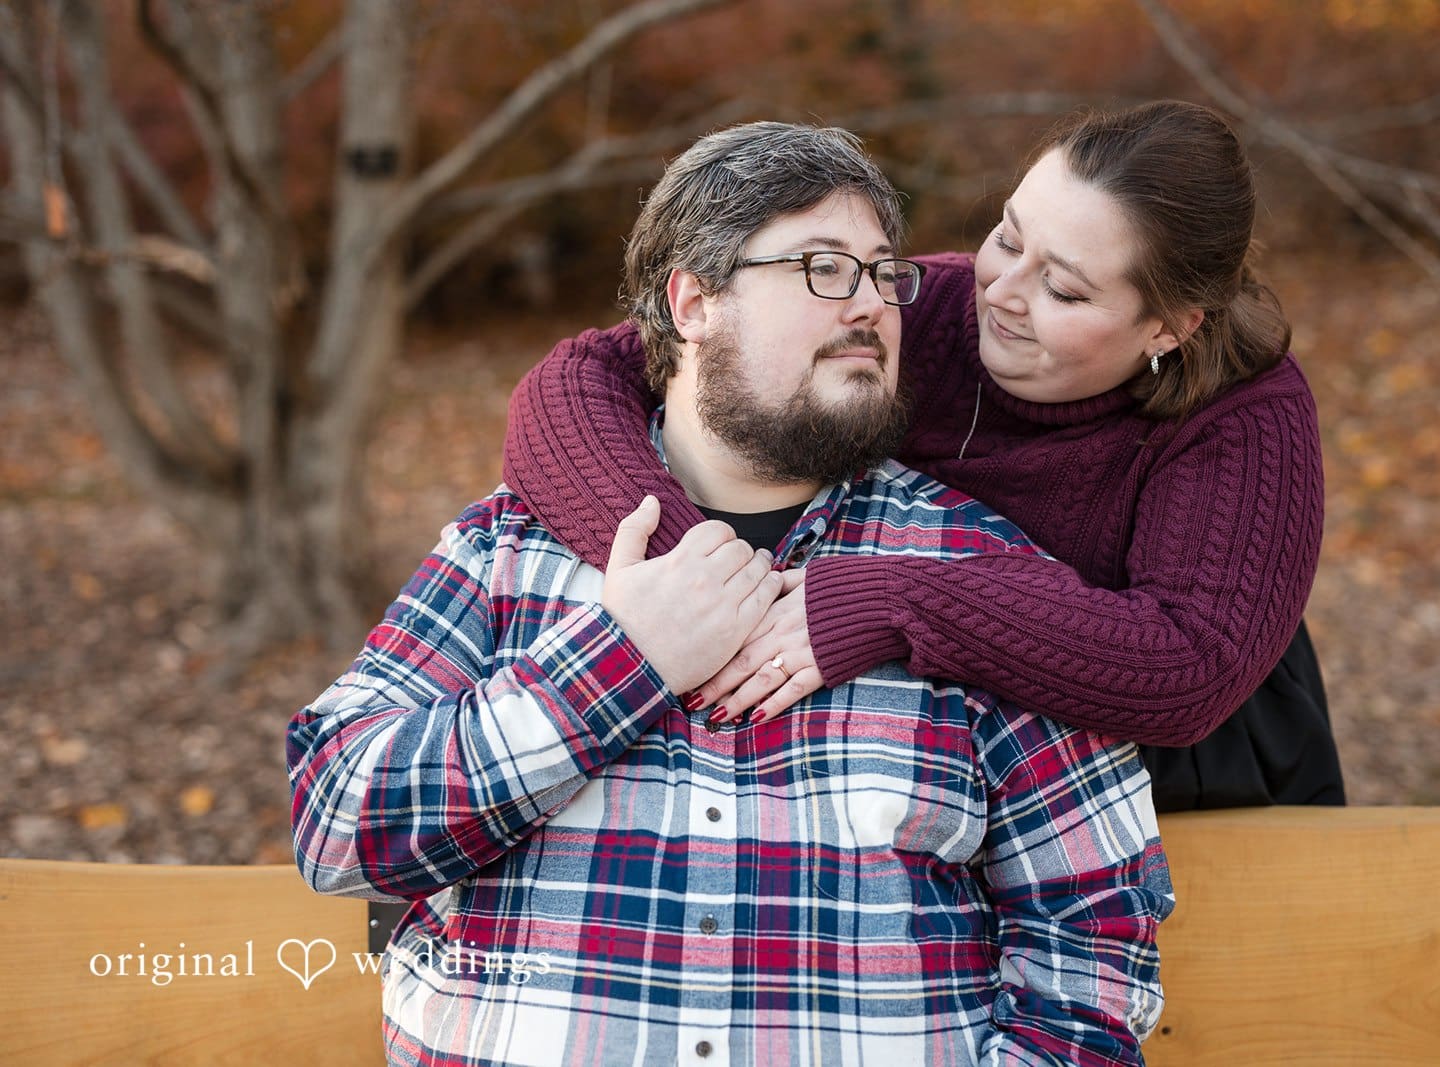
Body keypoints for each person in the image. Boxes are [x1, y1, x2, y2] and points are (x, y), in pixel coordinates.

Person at [288, 121, 1172, 1067]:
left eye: (884, 273)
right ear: (694, 301)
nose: (871, 304)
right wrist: (615, 661)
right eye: (825, 267)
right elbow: (338, 824)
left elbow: (1093, 933)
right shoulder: (510, 551)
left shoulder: (976, 572)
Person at [501, 100, 1343, 812]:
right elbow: (575, 381)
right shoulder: (916, 311)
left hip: (1194, 775)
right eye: (1010, 238)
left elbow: (1188, 670)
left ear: (1170, 325)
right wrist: (706, 576)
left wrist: (891, 599)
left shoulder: (1243, 412)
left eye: (1064, 289)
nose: (1003, 295)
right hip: (955, 747)